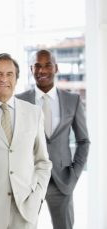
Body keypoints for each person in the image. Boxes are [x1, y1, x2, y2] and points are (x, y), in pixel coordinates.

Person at [16, 49, 90, 229]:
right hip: (29, 181)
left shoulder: (72, 100)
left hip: (62, 180)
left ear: (56, 68)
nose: (42, 71)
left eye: (47, 65)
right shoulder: (19, 101)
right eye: (37, 66)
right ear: (31, 69)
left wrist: (74, 174)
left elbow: (83, 141)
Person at [0, 53, 52, 229]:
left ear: (16, 79)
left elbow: (43, 162)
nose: (4, 79)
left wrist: (38, 195)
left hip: (25, 210)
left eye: (9, 74)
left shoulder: (34, 113)